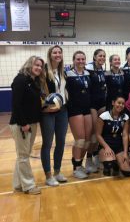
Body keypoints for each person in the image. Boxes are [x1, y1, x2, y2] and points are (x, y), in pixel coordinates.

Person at [10, 56, 45, 194]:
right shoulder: (20, 80)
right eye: (36, 65)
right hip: (22, 125)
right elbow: (16, 105)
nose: (39, 68)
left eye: (41, 66)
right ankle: (29, 186)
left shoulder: (33, 81)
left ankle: (18, 184)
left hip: (31, 123)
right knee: (24, 156)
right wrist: (23, 123)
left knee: (23, 155)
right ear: (29, 65)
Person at [40, 45, 68, 186]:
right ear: (50, 55)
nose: (57, 54)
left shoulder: (63, 71)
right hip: (49, 112)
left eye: (59, 52)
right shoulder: (44, 71)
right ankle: (48, 175)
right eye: (54, 52)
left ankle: (57, 172)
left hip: (62, 111)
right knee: (47, 144)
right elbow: (38, 91)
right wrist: (45, 107)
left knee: (61, 142)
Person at [65, 51, 93, 179]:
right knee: (80, 139)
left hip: (86, 108)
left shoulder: (88, 73)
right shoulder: (67, 74)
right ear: (73, 60)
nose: (81, 61)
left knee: (87, 140)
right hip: (74, 109)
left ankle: (79, 163)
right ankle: (76, 168)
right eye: (78, 59)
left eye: (83, 59)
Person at [96, 96, 130, 177]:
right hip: (106, 145)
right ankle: (109, 164)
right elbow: (98, 135)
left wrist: (125, 152)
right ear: (113, 103)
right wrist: (106, 147)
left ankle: (117, 163)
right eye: (119, 103)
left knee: (128, 172)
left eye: (123, 104)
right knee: (109, 164)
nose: (120, 105)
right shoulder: (103, 116)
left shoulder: (125, 117)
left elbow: (124, 135)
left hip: (118, 145)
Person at [85, 49, 107, 172]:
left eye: (104, 56)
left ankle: (96, 156)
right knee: (93, 133)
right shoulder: (89, 69)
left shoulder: (102, 70)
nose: (102, 58)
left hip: (102, 103)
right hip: (92, 104)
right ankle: (88, 160)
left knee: (101, 131)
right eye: (100, 56)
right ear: (94, 57)